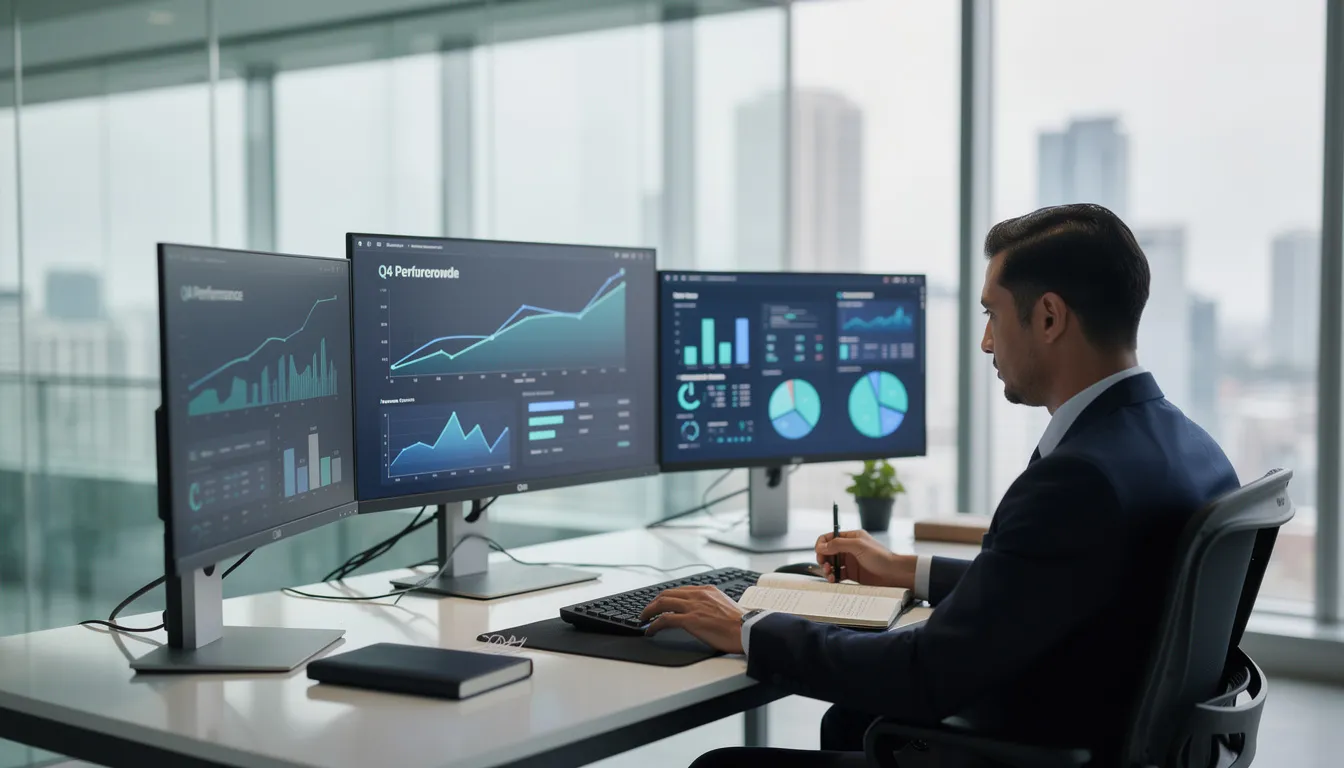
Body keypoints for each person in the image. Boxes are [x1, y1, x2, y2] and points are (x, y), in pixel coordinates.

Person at [640, 203, 1241, 767]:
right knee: (851, 720)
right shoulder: (1192, 450)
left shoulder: (1079, 478)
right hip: (1097, 726)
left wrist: (748, 628)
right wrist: (909, 571)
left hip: (1036, 744)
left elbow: (924, 674)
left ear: (1050, 317)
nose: (986, 342)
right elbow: (1055, 583)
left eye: (992, 314)